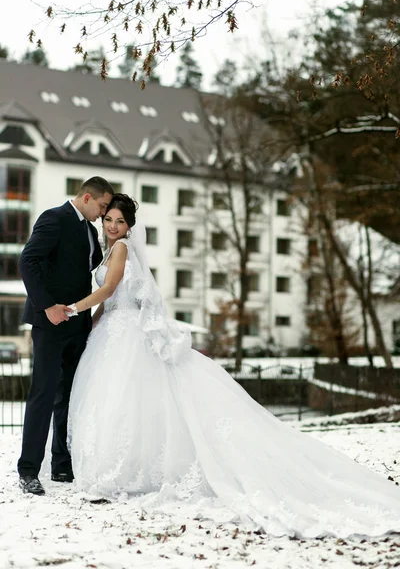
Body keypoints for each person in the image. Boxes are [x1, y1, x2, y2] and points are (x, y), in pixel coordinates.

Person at [67, 194, 400, 537]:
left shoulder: (120, 249)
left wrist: (74, 309)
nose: (113, 226)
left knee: (125, 400)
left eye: (121, 222)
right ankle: (121, 469)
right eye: (110, 220)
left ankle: (120, 472)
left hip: (126, 337)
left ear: (129, 227)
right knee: (124, 404)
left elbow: (108, 289)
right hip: (111, 333)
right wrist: (92, 326)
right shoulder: (108, 249)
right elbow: (110, 302)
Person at [17, 177, 114, 496]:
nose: (103, 214)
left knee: (69, 395)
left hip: (78, 324)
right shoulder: (53, 218)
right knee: (43, 393)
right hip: (50, 322)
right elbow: (28, 261)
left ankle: (61, 464)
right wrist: (47, 307)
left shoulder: (89, 230)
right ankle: (29, 470)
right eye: (101, 206)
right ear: (87, 197)